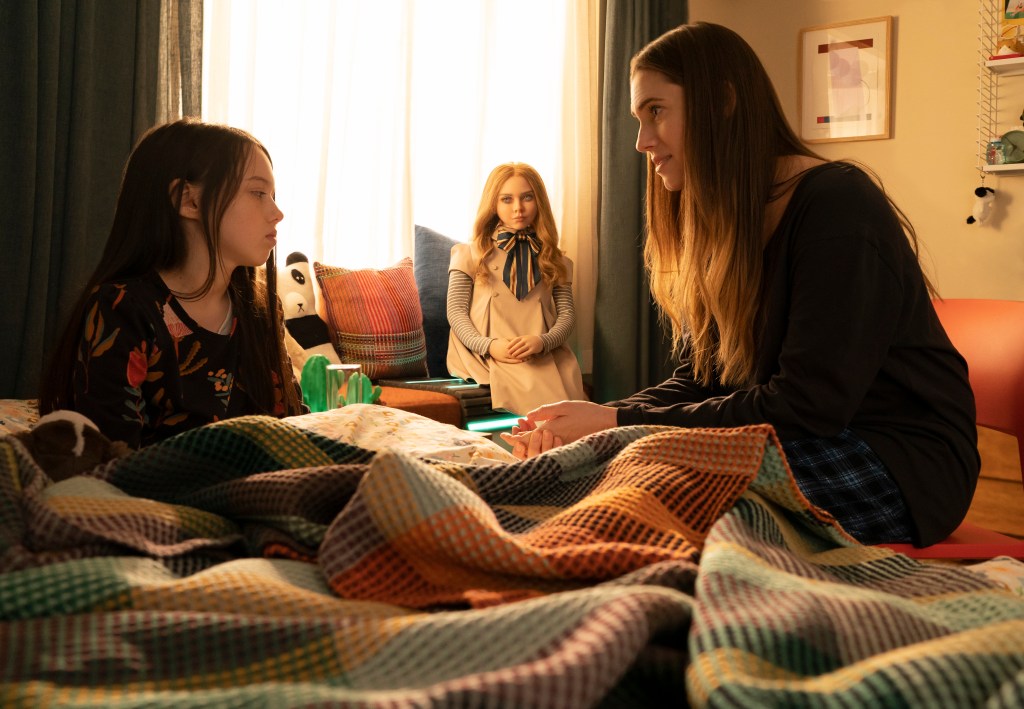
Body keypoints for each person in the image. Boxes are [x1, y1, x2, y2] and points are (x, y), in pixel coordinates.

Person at [501, 22, 980, 548]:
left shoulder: (837, 205)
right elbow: (702, 379)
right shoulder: (729, 223)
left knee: (658, 487)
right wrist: (598, 425)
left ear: (722, 103)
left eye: (656, 111)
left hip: (897, 460)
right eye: (639, 119)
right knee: (613, 466)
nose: (641, 142)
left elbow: (806, 406)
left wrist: (619, 421)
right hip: (798, 435)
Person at [39, 118, 306, 448]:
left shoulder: (261, 309)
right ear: (188, 200)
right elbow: (114, 455)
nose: (277, 212)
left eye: (272, 195)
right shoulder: (123, 309)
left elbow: (290, 427)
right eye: (258, 193)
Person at [446, 162, 586, 415]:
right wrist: (488, 346)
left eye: (527, 197)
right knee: (547, 410)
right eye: (507, 199)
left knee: (567, 407)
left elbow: (567, 315)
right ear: (493, 204)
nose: (518, 208)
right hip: (483, 352)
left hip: (541, 351)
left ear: (539, 201)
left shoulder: (555, 259)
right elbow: (455, 312)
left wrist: (543, 342)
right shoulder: (469, 254)